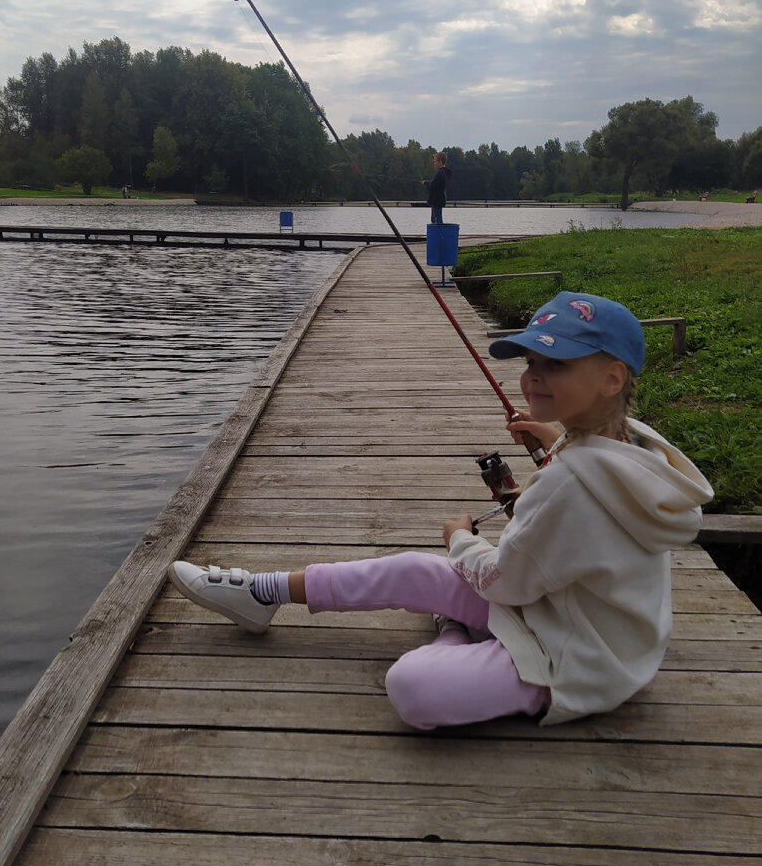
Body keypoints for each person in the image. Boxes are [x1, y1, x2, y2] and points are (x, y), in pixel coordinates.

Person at [169, 292, 713, 729]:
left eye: (556, 364)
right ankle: (261, 592)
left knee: (415, 687)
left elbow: (504, 581)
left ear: (611, 379)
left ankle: (455, 630)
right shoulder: (637, 448)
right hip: (577, 620)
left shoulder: (570, 482)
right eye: (531, 362)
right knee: (412, 568)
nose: (533, 376)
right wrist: (552, 439)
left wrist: (458, 538)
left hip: (575, 660)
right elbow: (586, 481)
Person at [422, 151, 451, 224]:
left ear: (440, 162)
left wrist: (426, 183)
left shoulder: (440, 173)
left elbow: (433, 186)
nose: (434, 163)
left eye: (435, 162)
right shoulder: (444, 172)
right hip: (439, 200)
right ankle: (438, 234)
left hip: (437, 200)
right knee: (435, 219)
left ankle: (439, 234)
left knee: (436, 220)